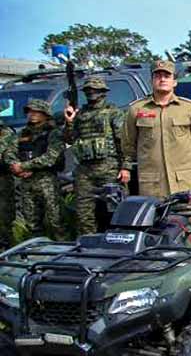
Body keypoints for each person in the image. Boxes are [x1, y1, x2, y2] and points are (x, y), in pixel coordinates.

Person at [122, 60, 191, 198]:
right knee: (152, 218)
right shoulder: (136, 109)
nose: (162, 79)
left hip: (184, 181)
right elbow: (128, 144)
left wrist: (183, 158)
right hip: (152, 182)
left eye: (167, 76)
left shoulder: (189, 108)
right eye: (158, 76)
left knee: (187, 217)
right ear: (152, 81)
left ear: (174, 81)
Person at [63, 76, 128, 235]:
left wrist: (125, 167)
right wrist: (69, 121)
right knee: (84, 214)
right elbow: (69, 139)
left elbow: (124, 142)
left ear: (103, 92)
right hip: (85, 171)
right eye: (88, 90)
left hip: (109, 169)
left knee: (116, 211)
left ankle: (118, 243)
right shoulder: (80, 114)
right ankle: (87, 245)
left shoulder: (113, 112)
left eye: (95, 90)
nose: (91, 93)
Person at [5, 99, 65, 239]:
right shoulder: (22, 134)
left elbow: (51, 157)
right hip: (26, 182)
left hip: (47, 181)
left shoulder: (53, 133)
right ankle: (37, 252)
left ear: (45, 114)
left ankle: (65, 250)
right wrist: (16, 167)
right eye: (29, 112)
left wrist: (24, 166)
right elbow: (9, 152)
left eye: (36, 112)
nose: (32, 115)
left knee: (56, 221)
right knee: (31, 223)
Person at [0, 120, 18, 248]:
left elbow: (6, 156)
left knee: (5, 221)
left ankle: (10, 250)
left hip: (3, 181)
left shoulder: (6, 133)